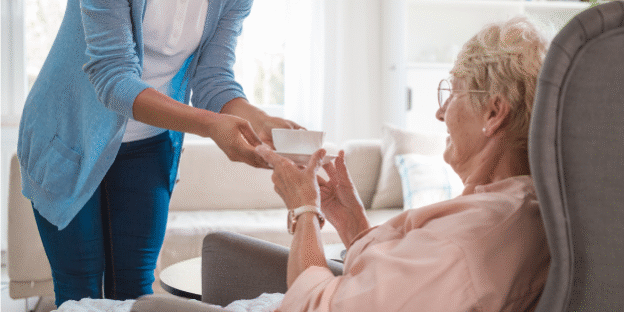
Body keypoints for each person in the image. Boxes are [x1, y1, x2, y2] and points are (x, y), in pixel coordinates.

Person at [255, 16, 551, 311]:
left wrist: (304, 209)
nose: (440, 112)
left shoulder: (465, 242)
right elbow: (393, 288)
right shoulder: (521, 208)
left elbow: (313, 307)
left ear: (494, 113)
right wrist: (352, 221)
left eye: (455, 92)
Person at [17, 0, 300, 306]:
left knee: (136, 291)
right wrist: (211, 126)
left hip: (149, 143)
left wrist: (260, 121)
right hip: (69, 136)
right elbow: (113, 78)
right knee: (79, 293)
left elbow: (213, 78)